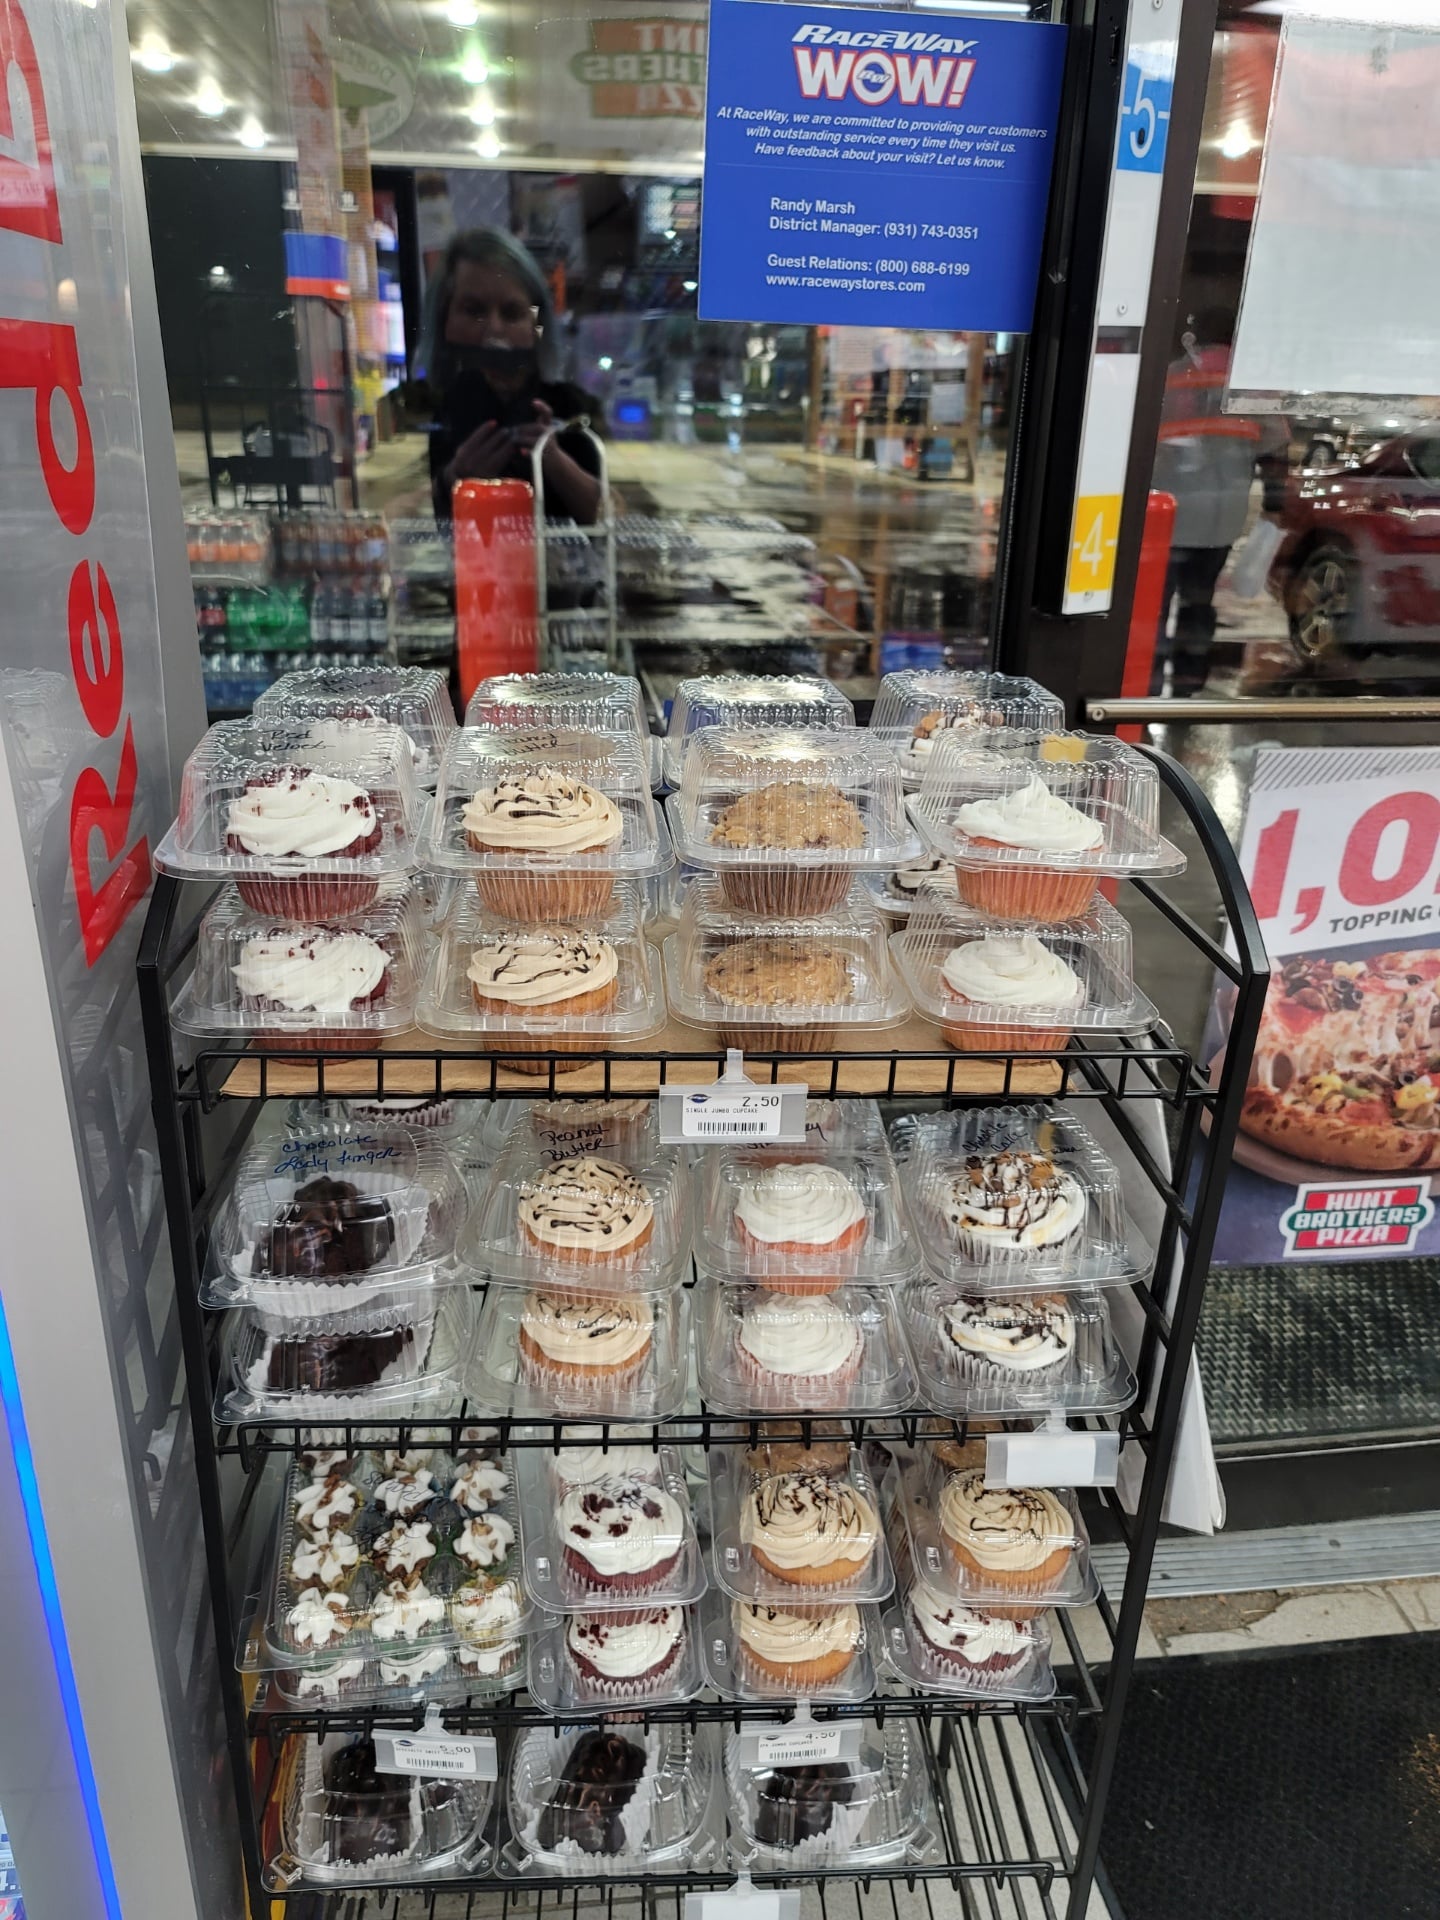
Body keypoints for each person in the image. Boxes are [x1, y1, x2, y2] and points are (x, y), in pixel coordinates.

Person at [420, 227, 603, 525]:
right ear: (444, 320)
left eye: (512, 313)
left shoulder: (570, 405)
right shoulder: (441, 406)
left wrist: (554, 459)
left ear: (537, 327)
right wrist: (454, 477)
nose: (494, 330)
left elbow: (610, 515)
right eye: (474, 310)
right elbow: (414, 515)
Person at [1149, 306, 1282, 695]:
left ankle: (1147, 689)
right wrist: (1275, 504)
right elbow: (1275, 451)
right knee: (1199, 600)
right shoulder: (1251, 386)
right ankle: (1188, 686)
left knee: (1154, 604)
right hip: (1223, 515)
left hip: (1169, 512)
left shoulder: (1172, 377)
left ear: (1196, 335)